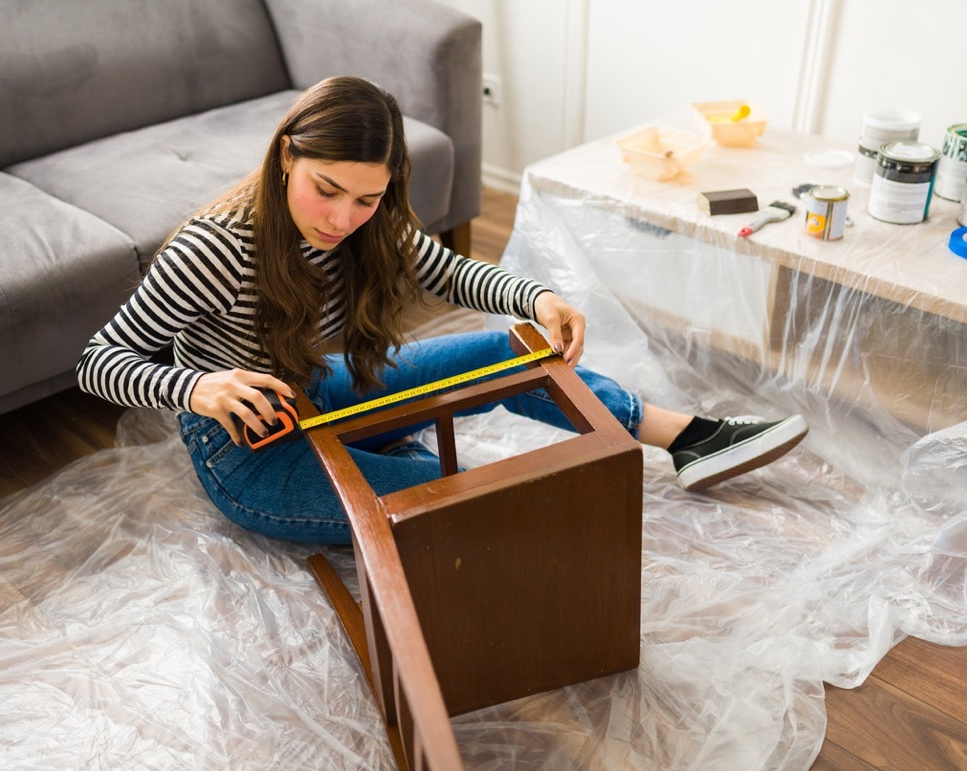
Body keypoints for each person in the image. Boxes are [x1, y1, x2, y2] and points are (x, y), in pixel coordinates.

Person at [77, 76, 808, 546]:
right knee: (461, 503)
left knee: (514, 350)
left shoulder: (368, 221)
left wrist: (535, 295)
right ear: (284, 160)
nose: (341, 218)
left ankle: (689, 437)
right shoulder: (215, 248)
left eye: (366, 200)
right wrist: (198, 387)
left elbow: (451, 272)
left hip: (316, 386)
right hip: (246, 448)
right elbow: (98, 362)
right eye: (325, 190)